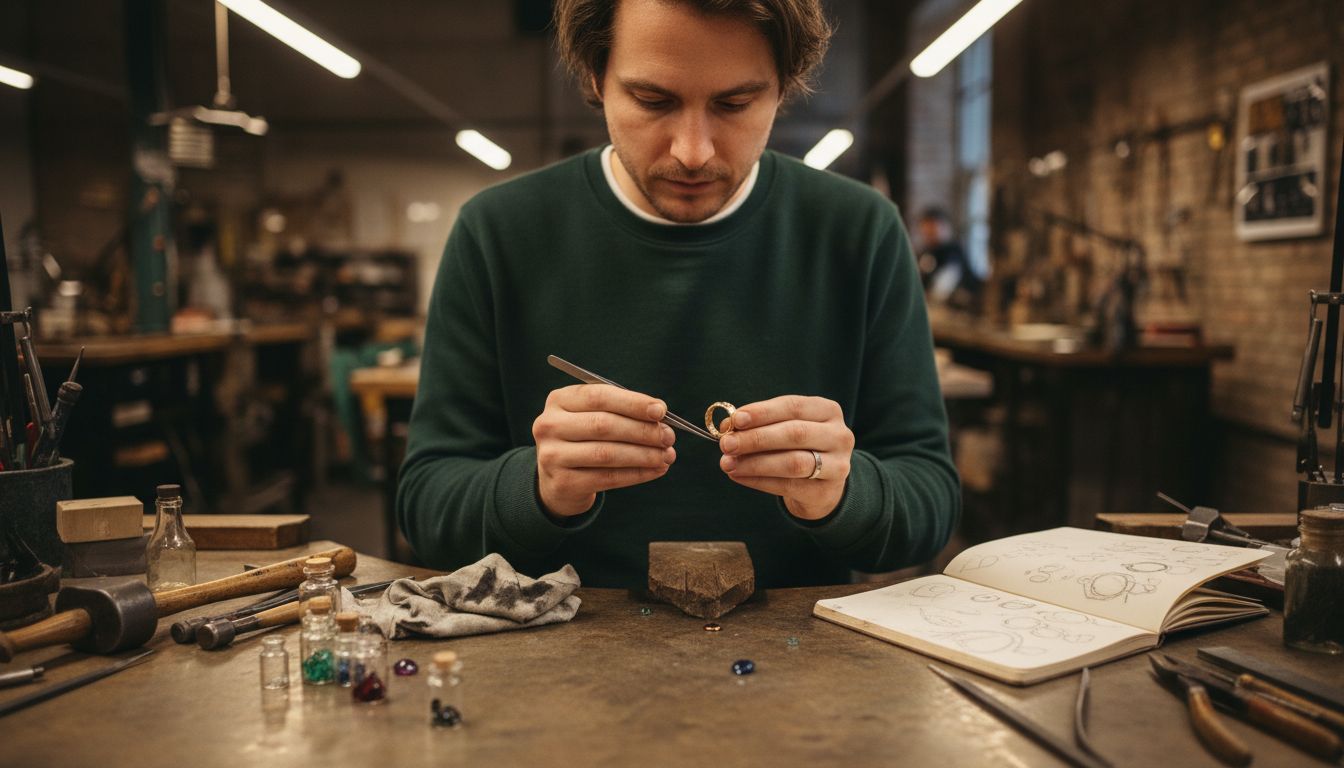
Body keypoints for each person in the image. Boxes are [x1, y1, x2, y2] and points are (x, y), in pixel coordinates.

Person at [397, 0, 960, 588]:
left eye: (734, 104)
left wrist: (843, 494)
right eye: (653, 101)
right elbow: (427, 509)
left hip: (804, 635)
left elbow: (929, 503)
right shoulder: (498, 233)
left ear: (783, 88)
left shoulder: (860, 232)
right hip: (553, 632)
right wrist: (537, 488)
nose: (693, 152)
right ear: (596, 77)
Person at [916, 206, 982, 310]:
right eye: (926, 230)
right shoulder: (926, 252)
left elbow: (943, 287)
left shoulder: (953, 252)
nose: (928, 234)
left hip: (958, 309)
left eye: (932, 229)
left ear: (945, 227)